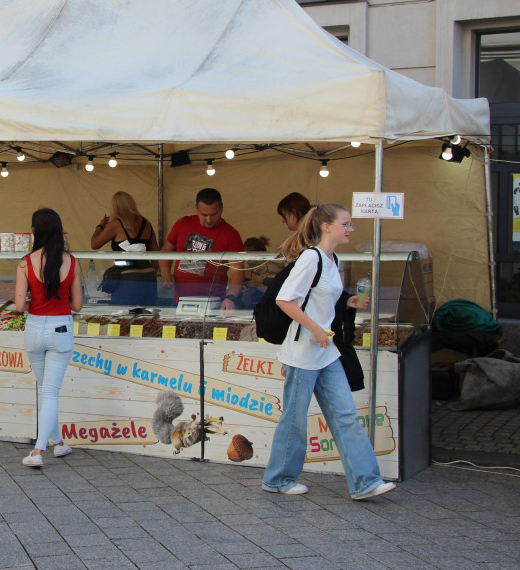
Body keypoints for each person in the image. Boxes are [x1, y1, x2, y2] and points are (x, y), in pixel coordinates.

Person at [261, 203, 396, 500]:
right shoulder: (311, 258)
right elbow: (286, 300)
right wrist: (316, 329)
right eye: (345, 224)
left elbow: (320, 299)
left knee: (345, 415)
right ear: (326, 226)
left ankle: (365, 481)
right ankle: (278, 478)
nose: (350, 228)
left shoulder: (332, 258)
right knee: (294, 419)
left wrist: (347, 304)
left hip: (326, 351)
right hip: (303, 352)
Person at [15, 208, 82, 468]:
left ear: (34, 232)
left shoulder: (24, 262)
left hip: (34, 329)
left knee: (46, 391)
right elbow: (77, 305)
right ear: (59, 231)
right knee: (50, 393)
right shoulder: (72, 262)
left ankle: (57, 444)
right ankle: (39, 451)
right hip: (60, 330)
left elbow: (19, 305)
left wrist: (35, 299)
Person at [159, 188, 245, 309]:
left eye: (214, 214)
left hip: (212, 302)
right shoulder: (183, 224)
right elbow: (166, 251)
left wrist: (231, 297)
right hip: (180, 300)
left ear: (221, 208)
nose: (209, 220)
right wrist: (165, 273)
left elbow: (237, 271)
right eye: (204, 215)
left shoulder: (231, 234)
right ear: (196, 208)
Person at [91, 191, 159, 306]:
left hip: (128, 278)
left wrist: (100, 226)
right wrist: (151, 273)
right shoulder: (146, 223)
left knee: (123, 318)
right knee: (147, 318)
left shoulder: (116, 224)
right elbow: (156, 254)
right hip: (149, 277)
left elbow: (94, 244)